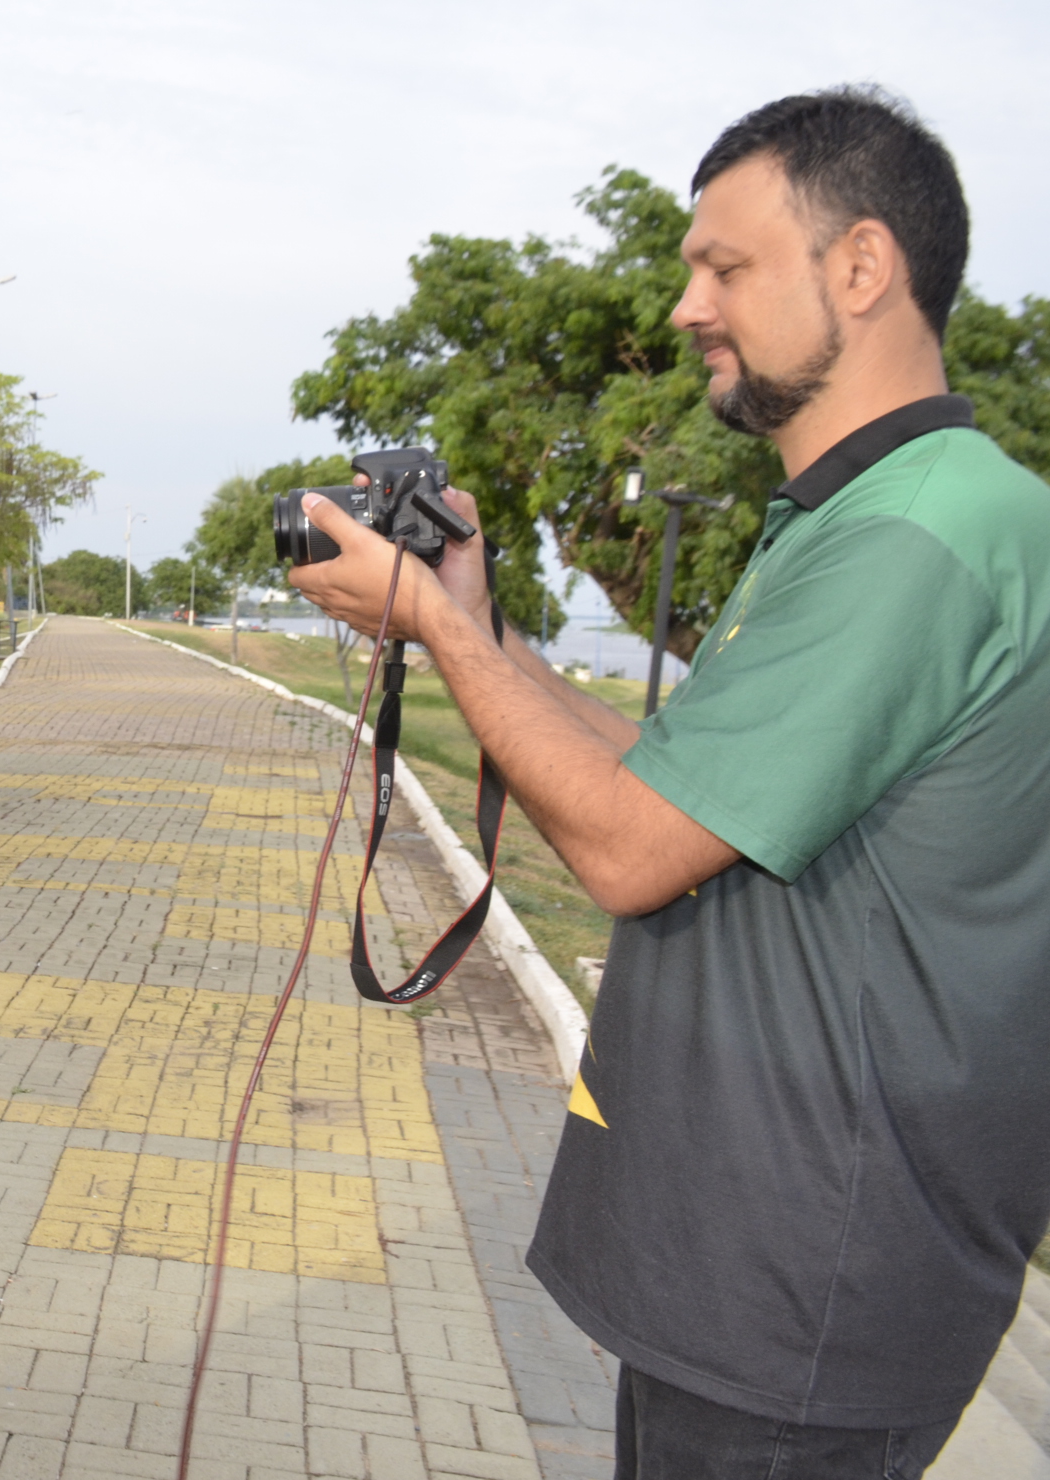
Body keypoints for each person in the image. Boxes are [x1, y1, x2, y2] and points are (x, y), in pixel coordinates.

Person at [290, 88, 1050, 1477]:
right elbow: (686, 774)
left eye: (727, 266)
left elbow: (635, 848)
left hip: (809, 1266)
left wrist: (437, 628)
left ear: (863, 267)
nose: (691, 302)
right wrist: (485, 616)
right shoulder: (866, 512)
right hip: (767, 1248)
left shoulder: (919, 534)